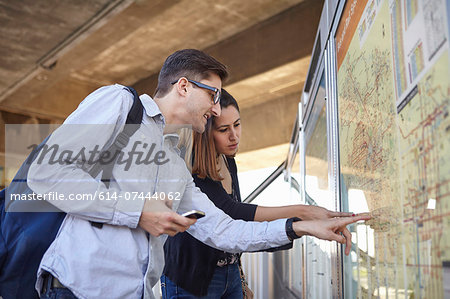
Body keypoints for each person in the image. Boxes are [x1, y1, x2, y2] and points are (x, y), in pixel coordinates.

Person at [27, 49, 370, 299]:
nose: (217, 108)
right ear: (183, 87)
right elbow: (46, 172)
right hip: (76, 289)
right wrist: (138, 212)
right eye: (213, 95)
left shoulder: (175, 166)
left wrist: (298, 226)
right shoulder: (120, 103)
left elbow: (224, 230)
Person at [161, 89, 357, 298]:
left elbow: (238, 230)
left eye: (237, 125)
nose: (234, 136)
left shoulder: (229, 161)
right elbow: (232, 213)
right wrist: (305, 213)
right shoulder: (192, 169)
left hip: (230, 274)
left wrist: (240, 277)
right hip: (191, 280)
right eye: (223, 129)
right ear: (207, 132)